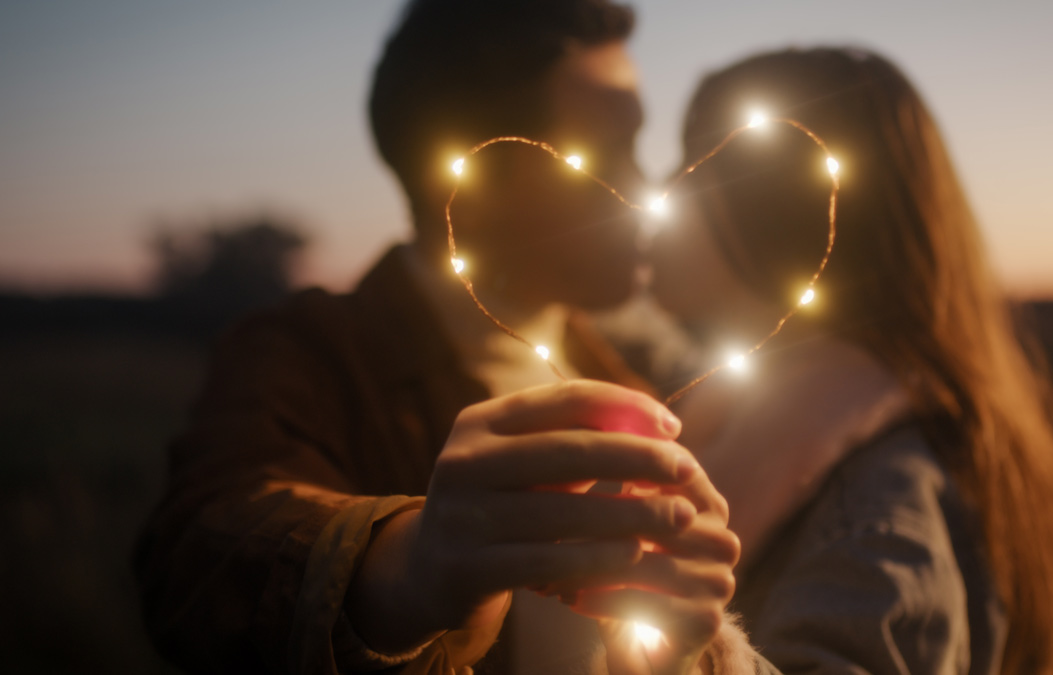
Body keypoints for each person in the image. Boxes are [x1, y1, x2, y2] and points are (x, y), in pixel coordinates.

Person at [135, 2, 750, 674]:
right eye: (610, 152)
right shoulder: (304, 354)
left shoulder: (627, 385)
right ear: (474, 182)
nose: (645, 184)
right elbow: (195, 558)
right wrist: (406, 567)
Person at [650, 48, 1053, 674]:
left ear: (777, 204)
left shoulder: (876, 503)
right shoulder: (734, 414)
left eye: (695, 161)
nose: (664, 188)